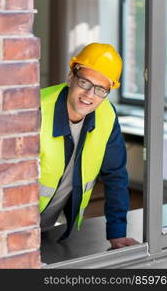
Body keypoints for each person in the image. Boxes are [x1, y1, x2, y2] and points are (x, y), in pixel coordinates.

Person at [39, 42, 138, 249]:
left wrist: (117, 233)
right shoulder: (36, 110)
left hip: (48, 228)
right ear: (70, 77)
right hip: (9, 227)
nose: (89, 95)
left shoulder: (107, 115)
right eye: (84, 82)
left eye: (101, 89)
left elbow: (116, 175)